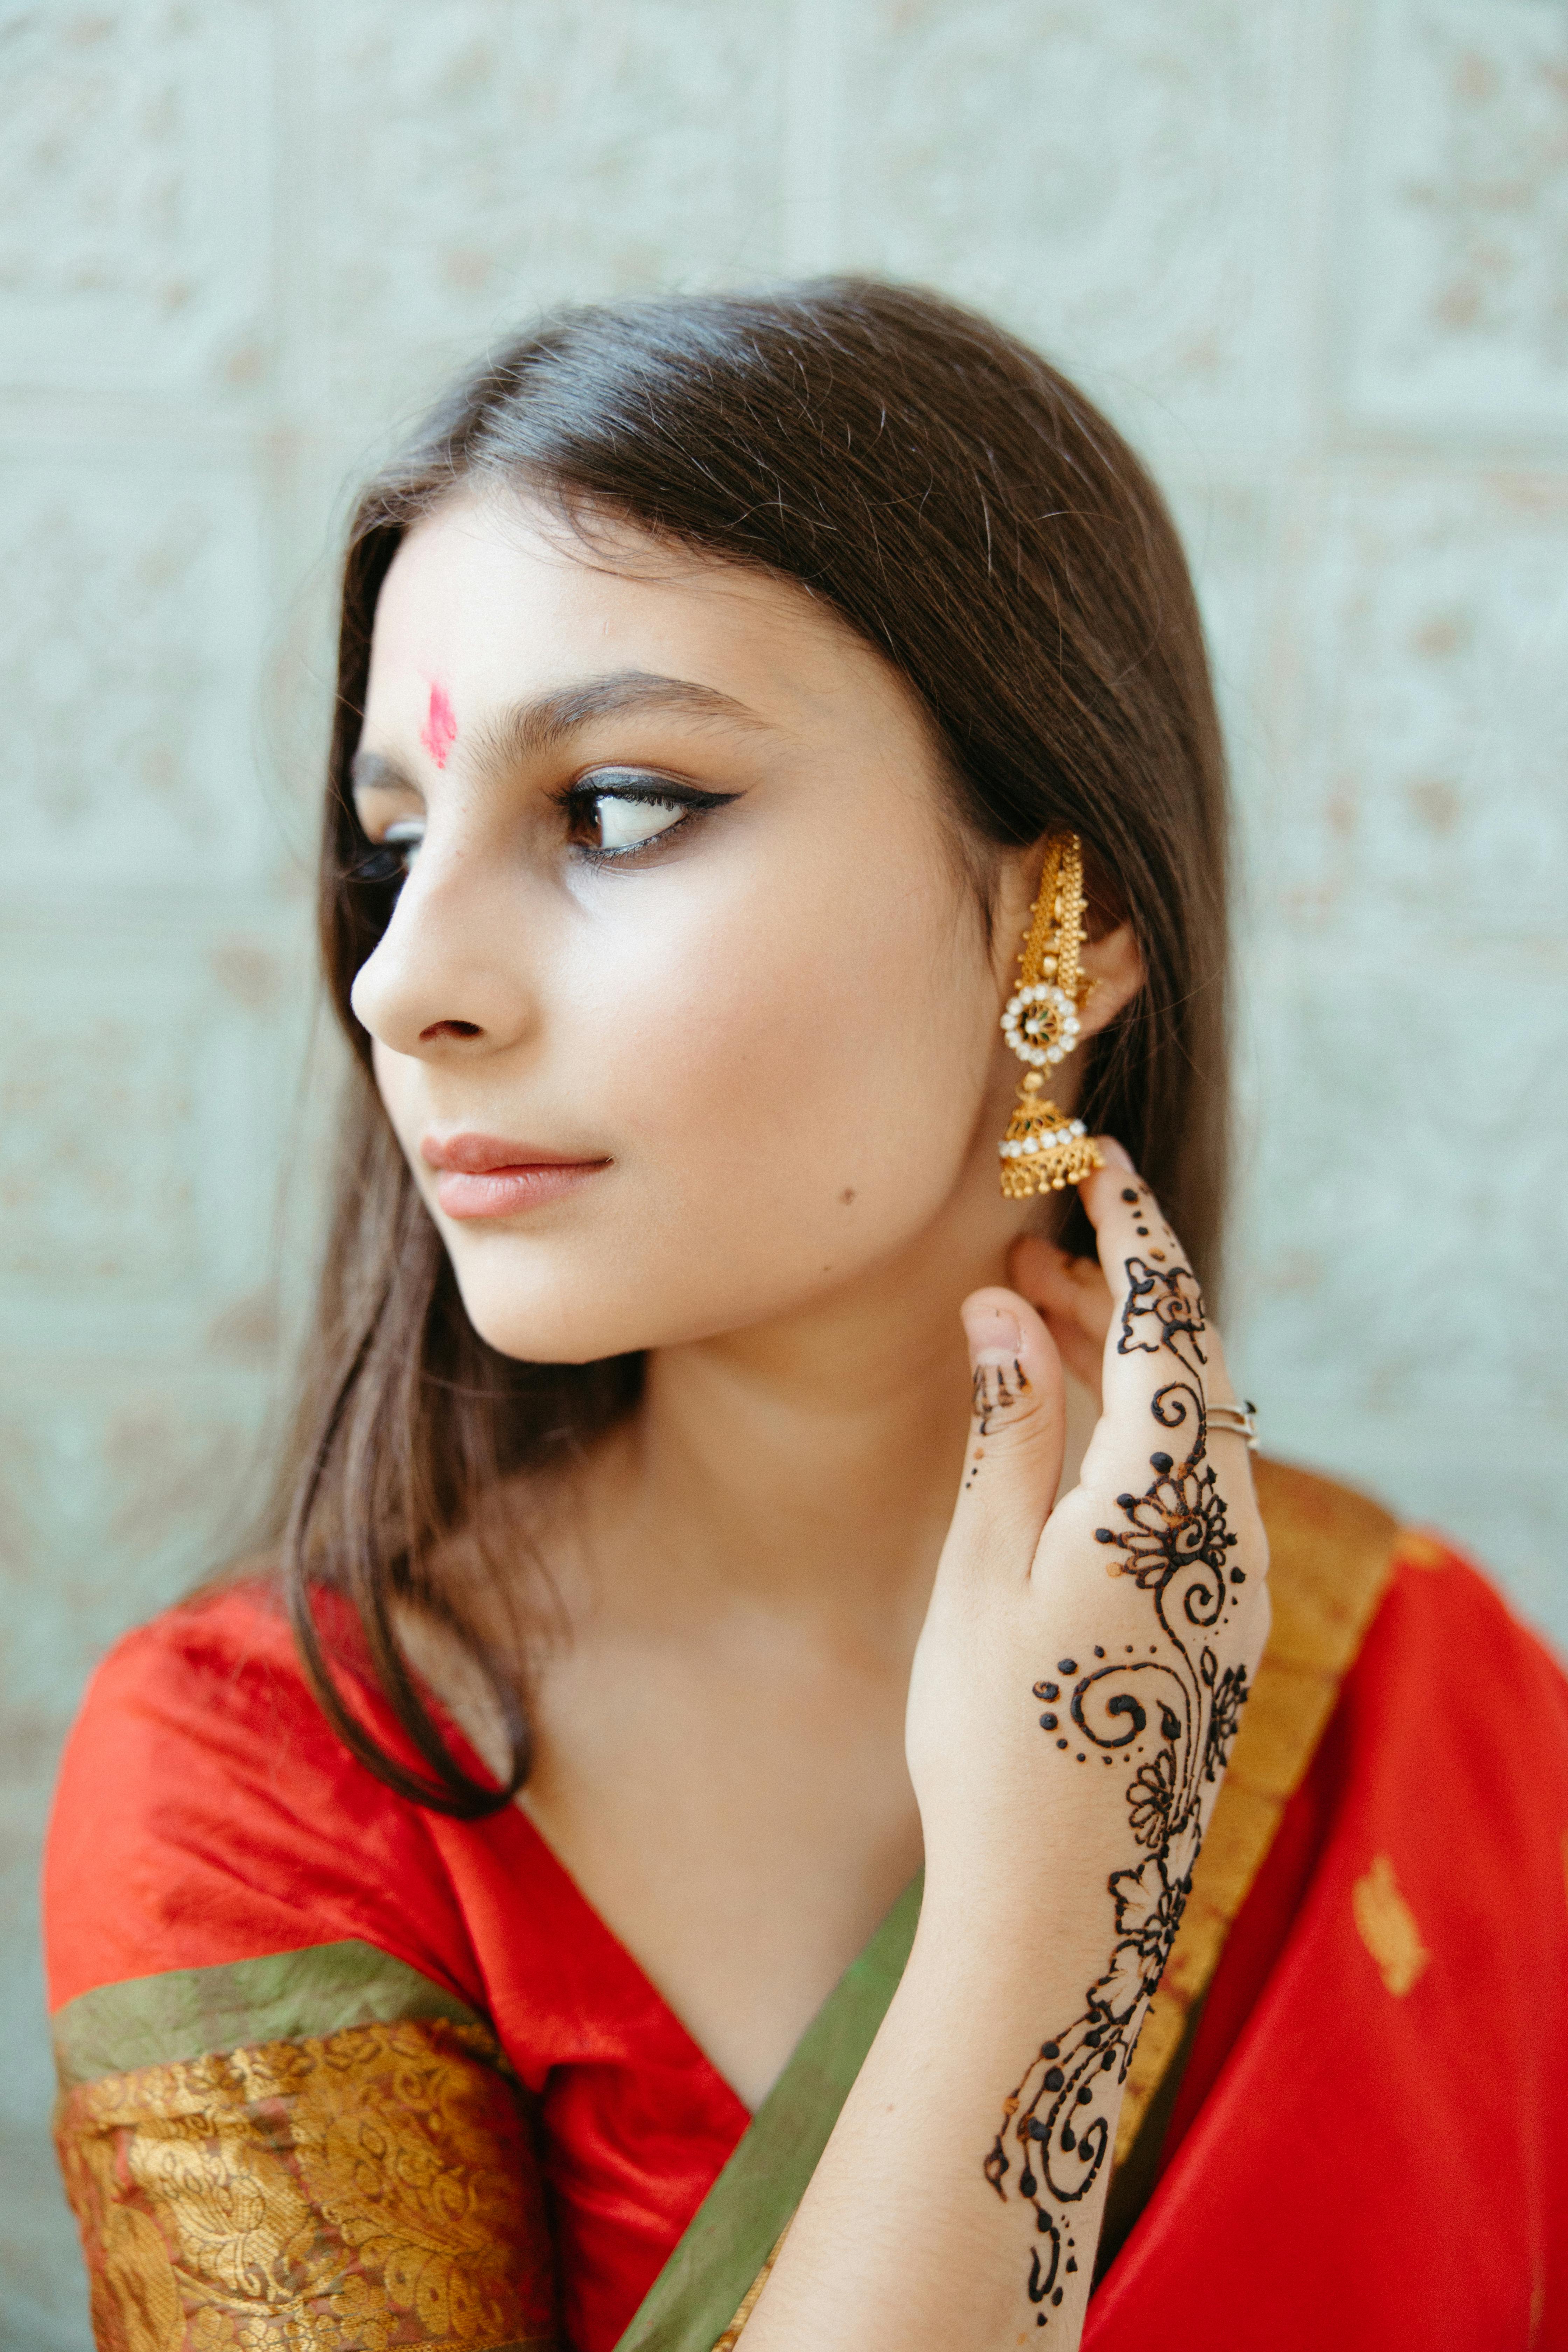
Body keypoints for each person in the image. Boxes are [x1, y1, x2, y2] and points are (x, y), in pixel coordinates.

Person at [43, 282, 1568, 2352]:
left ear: (1080, 916)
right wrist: (1045, 1916)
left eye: (617, 808)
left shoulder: (1429, 1691)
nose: (404, 984)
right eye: (393, 845)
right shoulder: (277, 1783)